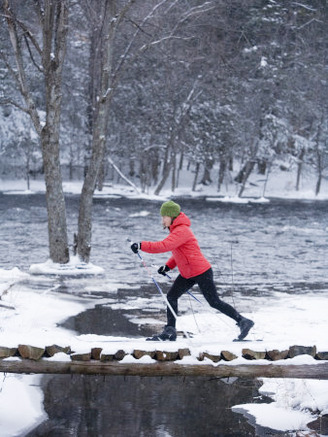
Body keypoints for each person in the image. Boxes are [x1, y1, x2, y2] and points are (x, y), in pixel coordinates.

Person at [130, 200, 254, 341]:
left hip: (201, 272)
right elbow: (179, 253)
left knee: (214, 301)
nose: (162, 219)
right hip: (187, 274)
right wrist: (168, 266)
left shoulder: (182, 230)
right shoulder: (176, 231)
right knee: (171, 297)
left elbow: (164, 246)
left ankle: (243, 321)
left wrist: (141, 245)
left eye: (164, 216)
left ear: (171, 216)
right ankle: (170, 330)